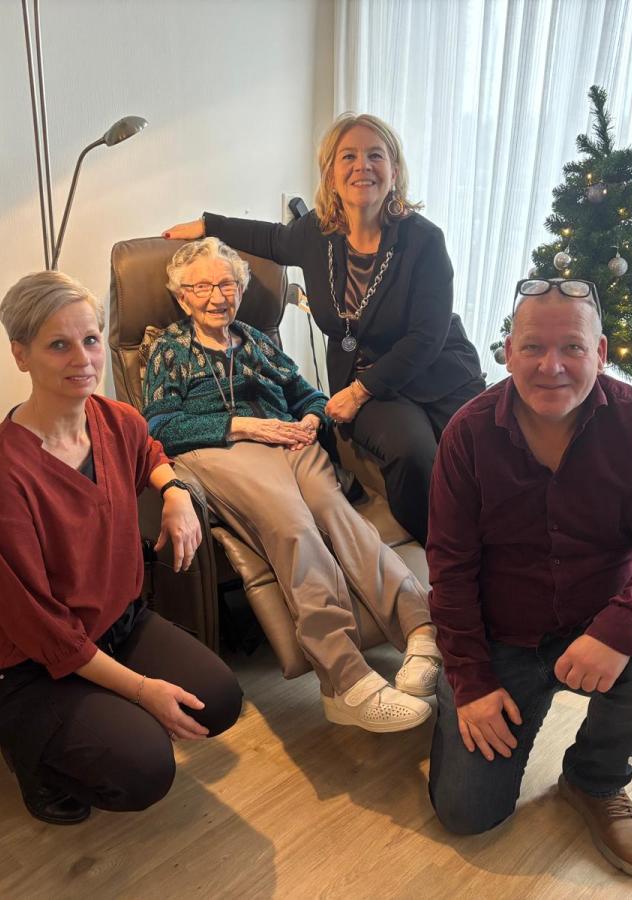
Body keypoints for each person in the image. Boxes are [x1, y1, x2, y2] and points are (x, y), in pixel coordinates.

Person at [426, 277, 632, 877]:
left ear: (600, 353)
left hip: (598, 622)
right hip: (501, 637)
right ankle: (445, 683)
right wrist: (471, 682)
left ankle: (593, 777)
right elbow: (449, 572)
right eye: (532, 347)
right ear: (508, 352)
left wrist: (617, 631)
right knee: (466, 813)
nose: (550, 366)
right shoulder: (468, 435)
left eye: (572, 348)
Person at [0, 270, 242, 826]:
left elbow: (149, 451)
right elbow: (44, 632)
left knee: (220, 701)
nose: (83, 359)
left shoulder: (114, 420)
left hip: (116, 624)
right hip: (28, 666)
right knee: (145, 769)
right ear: (20, 354)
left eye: (90, 339)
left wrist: (175, 492)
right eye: (58, 345)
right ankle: (33, 760)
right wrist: (141, 691)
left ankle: (101, 713)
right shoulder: (1, 482)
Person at [143, 237, 442, 733]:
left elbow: (309, 395)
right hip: (223, 450)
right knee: (294, 528)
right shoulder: (170, 350)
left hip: (290, 442)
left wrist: (309, 418)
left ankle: (420, 629)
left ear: (241, 291)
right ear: (182, 297)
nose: (217, 296)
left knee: (340, 516)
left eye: (227, 285)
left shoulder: (256, 341)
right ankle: (344, 680)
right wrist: (243, 426)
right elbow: (157, 426)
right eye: (202, 287)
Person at [162, 113, 485, 546]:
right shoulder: (318, 232)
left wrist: (359, 392)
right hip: (373, 383)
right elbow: (272, 239)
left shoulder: (423, 240)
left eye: (375, 155)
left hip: (436, 372)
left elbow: (426, 338)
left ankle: (498, 547)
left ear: (394, 169)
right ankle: (448, 551)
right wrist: (208, 225)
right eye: (348, 156)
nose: (362, 166)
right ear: (331, 173)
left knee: (480, 454)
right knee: (414, 455)